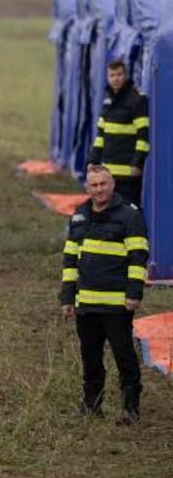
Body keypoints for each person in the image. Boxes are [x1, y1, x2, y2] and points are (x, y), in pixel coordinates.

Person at [59, 165, 148, 424]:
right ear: (87, 188)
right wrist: (67, 298)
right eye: (94, 185)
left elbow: (138, 257)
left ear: (112, 185)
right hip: (85, 304)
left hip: (117, 304)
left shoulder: (130, 217)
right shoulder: (79, 217)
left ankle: (131, 408)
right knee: (90, 356)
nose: (99, 189)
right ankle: (91, 405)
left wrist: (134, 294)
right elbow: (70, 261)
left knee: (124, 356)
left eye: (103, 184)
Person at [87, 61, 149, 206]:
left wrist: (137, 163)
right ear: (107, 77)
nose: (116, 78)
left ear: (126, 76)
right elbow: (101, 136)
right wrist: (92, 160)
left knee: (129, 210)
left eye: (119, 74)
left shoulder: (137, 100)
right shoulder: (107, 101)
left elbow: (143, 134)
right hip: (109, 173)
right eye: (112, 75)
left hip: (129, 173)